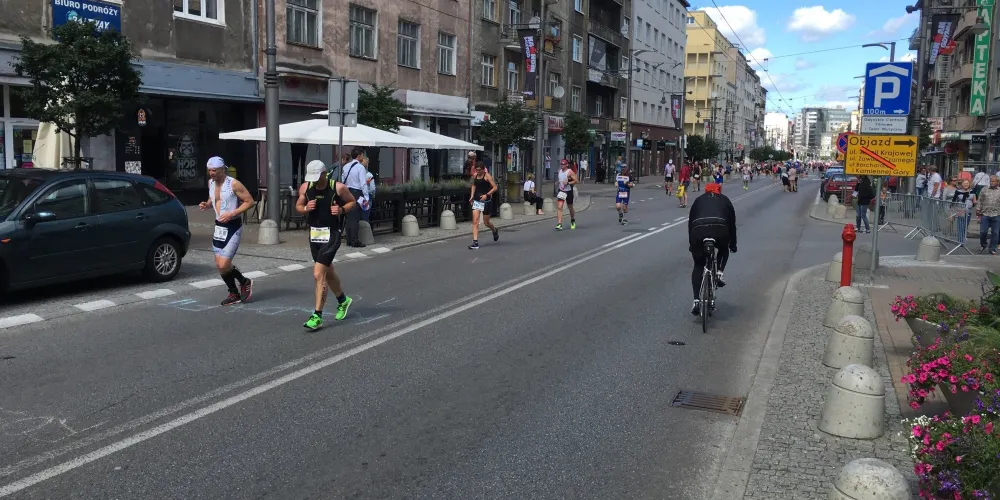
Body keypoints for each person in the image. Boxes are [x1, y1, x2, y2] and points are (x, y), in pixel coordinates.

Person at [295, 160, 357, 331]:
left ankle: (317, 316)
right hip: (315, 235)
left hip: (332, 234)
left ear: (324, 173)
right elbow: (298, 206)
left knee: (318, 274)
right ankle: (343, 300)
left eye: (317, 177)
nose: (314, 181)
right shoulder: (305, 188)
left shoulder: (338, 188)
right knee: (327, 272)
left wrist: (342, 210)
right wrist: (305, 208)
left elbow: (352, 202)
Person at [199, 156, 255, 306]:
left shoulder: (233, 184)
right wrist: (207, 205)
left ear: (222, 170)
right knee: (220, 265)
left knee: (224, 264)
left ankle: (244, 281)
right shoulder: (211, 182)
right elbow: (214, 199)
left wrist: (232, 213)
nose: (211, 173)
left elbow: (250, 201)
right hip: (219, 227)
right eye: (209, 170)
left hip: (233, 226)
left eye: (214, 170)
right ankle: (234, 293)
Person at [687, 182, 737, 316]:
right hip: (720, 229)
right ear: (719, 190)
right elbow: (732, 224)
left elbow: (690, 223)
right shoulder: (725, 200)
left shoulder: (698, 200)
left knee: (698, 265)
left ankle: (696, 300)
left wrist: (692, 244)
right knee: (723, 249)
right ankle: (719, 273)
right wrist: (733, 244)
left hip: (698, 231)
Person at [340, 147, 368, 247]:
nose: (363, 157)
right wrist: (366, 197)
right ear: (359, 156)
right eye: (362, 155)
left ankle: (349, 240)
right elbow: (363, 183)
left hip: (347, 192)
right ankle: (355, 240)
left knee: (348, 216)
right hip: (357, 192)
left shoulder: (346, 166)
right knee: (355, 217)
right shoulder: (360, 168)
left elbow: (342, 180)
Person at [469, 161, 500, 249]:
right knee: (475, 221)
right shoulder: (475, 176)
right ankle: (475, 242)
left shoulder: (487, 176)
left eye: (479, 170)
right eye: (476, 170)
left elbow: (495, 187)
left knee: (486, 222)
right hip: (477, 200)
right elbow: (473, 185)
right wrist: (472, 195)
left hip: (486, 201)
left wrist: (487, 195)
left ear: (483, 169)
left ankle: (494, 230)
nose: (478, 171)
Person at [555, 158, 578, 230]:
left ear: (567, 165)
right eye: (561, 164)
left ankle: (572, 220)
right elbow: (561, 179)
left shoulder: (570, 172)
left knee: (570, 207)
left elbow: (576, 180)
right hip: (561, 191)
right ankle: (559, 224)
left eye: (563, 164)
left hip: (568, 191)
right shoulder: (559, 171)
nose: (562, 165)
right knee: (559, 207)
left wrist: (568, 183)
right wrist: (558, 182)